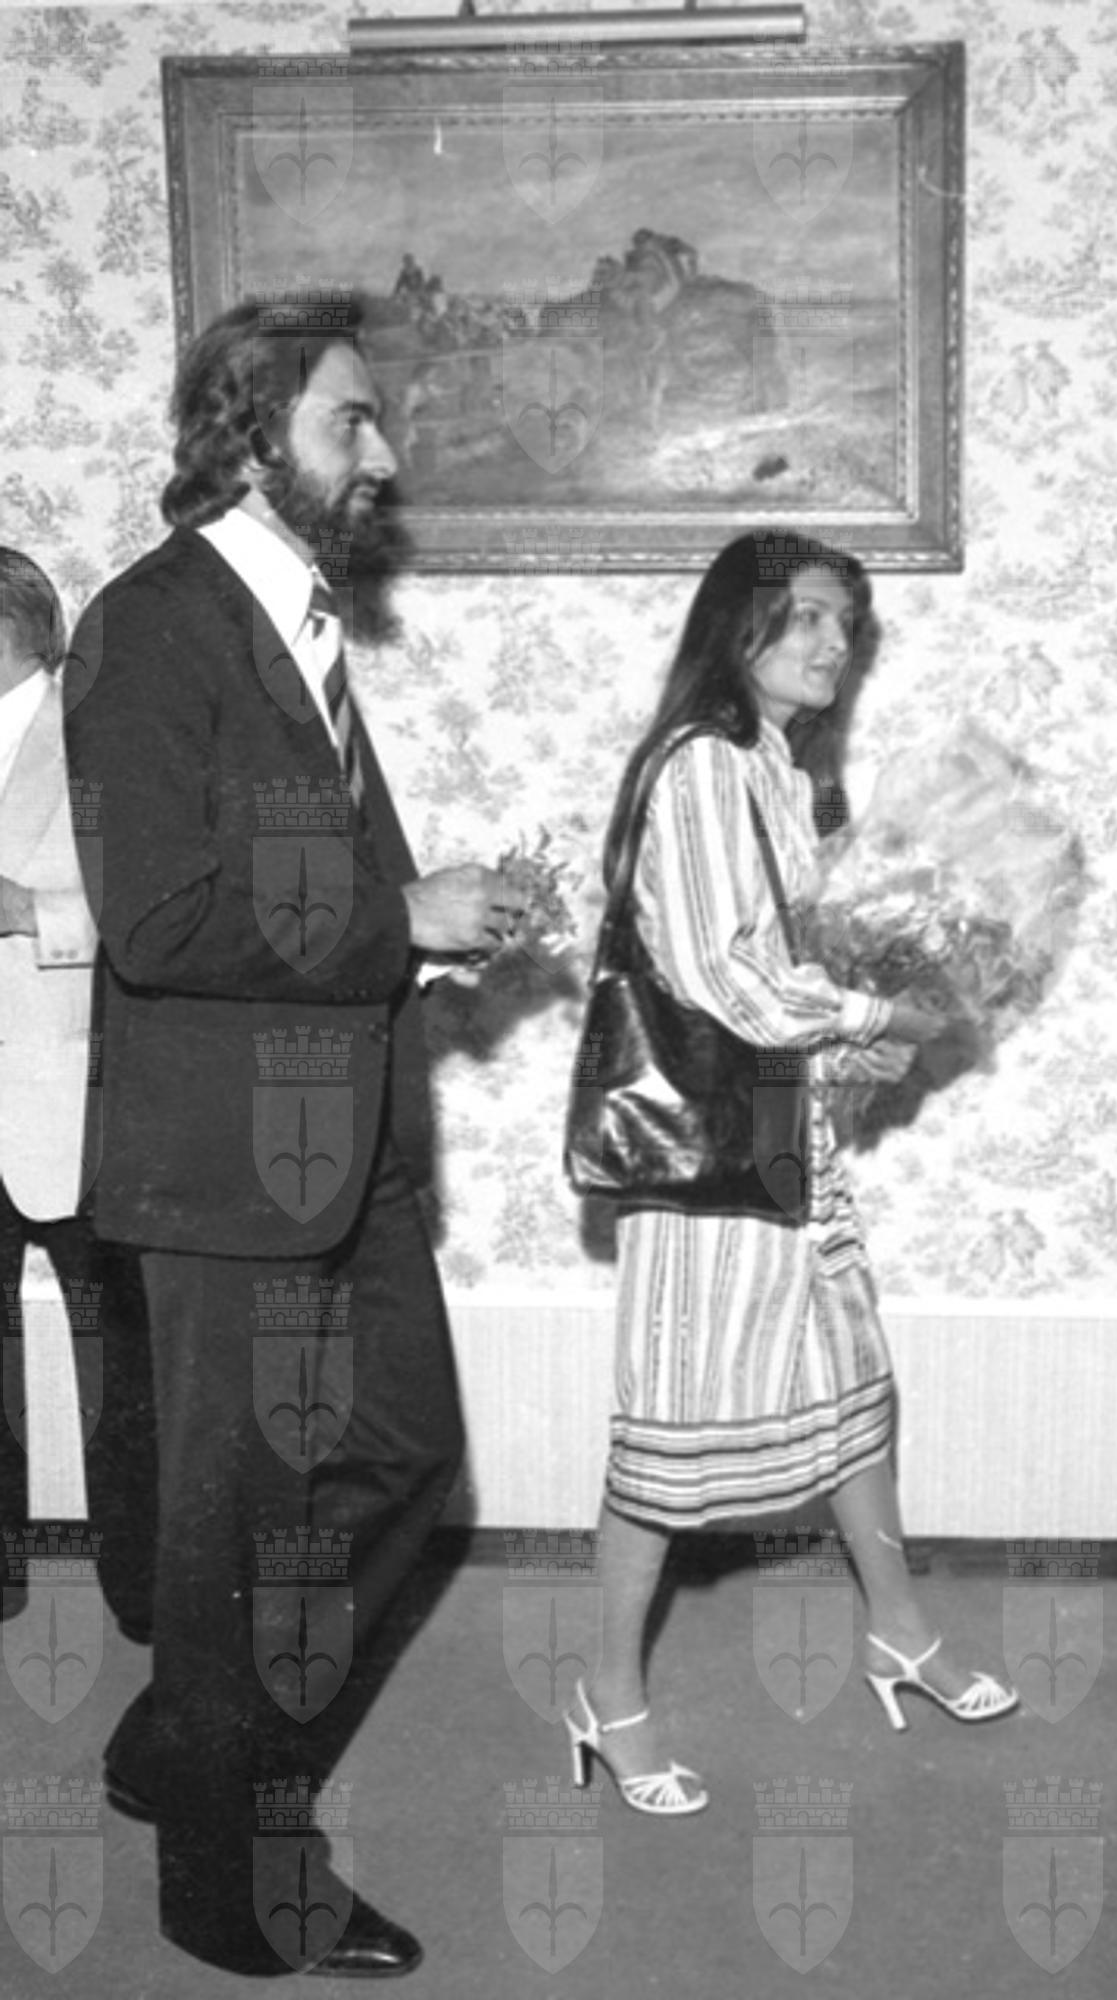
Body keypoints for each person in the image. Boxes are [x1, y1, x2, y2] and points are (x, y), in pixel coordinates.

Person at [63, 298, 521, 1976]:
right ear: (250, 439)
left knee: (406, 1459)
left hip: (347, 1152)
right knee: (240, 1538)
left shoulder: (301, 622)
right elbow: (158, 918)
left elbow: (299, 901)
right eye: (352, 421)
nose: (384, 453)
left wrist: (422, 938)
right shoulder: (148, 627)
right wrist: (399, 913)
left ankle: (187, 1739)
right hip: (224, 1177)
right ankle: (232, 1878)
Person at [565, 532, 1017, 1816]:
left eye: (846, 624)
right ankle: (607, 1691)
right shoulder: (704, 763)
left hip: (783, 1132)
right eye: (808, 615)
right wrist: (880, 1015)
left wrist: (886, 1013)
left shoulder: (775, 766)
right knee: (673, 1436)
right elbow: (727, 974)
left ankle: (900, 1631)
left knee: (852, 1387)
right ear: (740, 622)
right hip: (711, 1160)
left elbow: (791, 964)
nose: (834, 642)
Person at [0, 546, 154, 1641]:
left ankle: (145, 1594)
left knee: (121, 1371)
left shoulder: (100, 733)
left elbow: (154, 912)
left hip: (76, 1105)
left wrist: (23, 910)